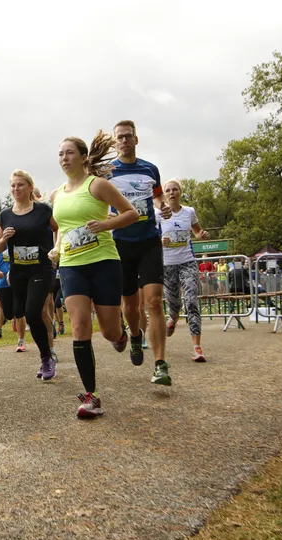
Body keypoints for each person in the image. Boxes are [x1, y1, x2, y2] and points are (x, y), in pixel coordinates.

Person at [50, 131, 139, 418]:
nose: (64, 158)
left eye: (70, 152)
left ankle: (121, 334)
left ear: (83, 157)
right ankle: (91, 395)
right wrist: (56, 249)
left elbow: (132, 213)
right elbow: (63, 228)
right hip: (72, 265)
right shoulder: (57, 195)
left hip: (103, 262)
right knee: (79, 328)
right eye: (61, 154)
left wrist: (106, 224)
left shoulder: (97, 185)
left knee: (109, 330)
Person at [108, 120, 173, 381]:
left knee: (155, 302)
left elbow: (157, 197)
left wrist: (163, 206)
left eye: (128, 136)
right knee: (130, 304)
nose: (124, 141)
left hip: (148, 241)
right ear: (115, 142)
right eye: (120, 137)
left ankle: (161, 364)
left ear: (136, 140)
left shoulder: (150, 169)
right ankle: (135, 334)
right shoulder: (107, 172)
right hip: (120, 243)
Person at [0, 170, 58, 378]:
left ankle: (46, 358)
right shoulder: (4, 215)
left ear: (30, 187)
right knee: (20, 312)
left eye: (20, 185)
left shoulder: (43, 211)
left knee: (32, 312)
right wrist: (4, 239)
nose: (16, 189)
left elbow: (58, 229)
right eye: (13, 185)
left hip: (41, 268)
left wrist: (56, 249)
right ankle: (47, 350)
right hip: (18, 271)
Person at [159, 180, 210, 362]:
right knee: (174, 303)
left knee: (192, 302)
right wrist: (160, 241)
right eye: (168, 190)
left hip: (187, 261)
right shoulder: (158, 214)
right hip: (167, 265)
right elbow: (150, 238)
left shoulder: (189, 212)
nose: (172, 193)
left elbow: (196, 232)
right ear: (164, 194)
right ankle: (172, 317)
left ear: (180, 192)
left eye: (175, 189)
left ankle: (197, 347)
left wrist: (201, 235)